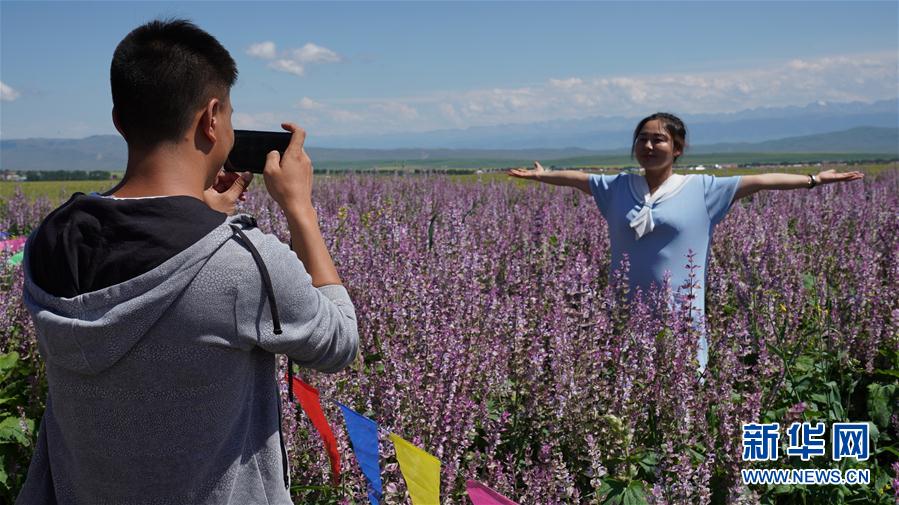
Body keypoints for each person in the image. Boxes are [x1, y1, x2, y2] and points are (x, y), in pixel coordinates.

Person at [16, 19, 358, 505]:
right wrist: (299, 209)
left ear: (119, 120)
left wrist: (196, 217)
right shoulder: (243, 264)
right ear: (212, 118)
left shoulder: (51, 238)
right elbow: (339, 343)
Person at [509, 112, 863, 372]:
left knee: (683, 387)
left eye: (659, 139)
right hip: (622, 312)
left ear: (677, 148)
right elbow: (576, 178)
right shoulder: (616, 187)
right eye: (642, 139)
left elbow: (761, 180)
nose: (648, 145)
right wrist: (542, 176)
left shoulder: (702, 189)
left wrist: (814, 179)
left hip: (680, 313)